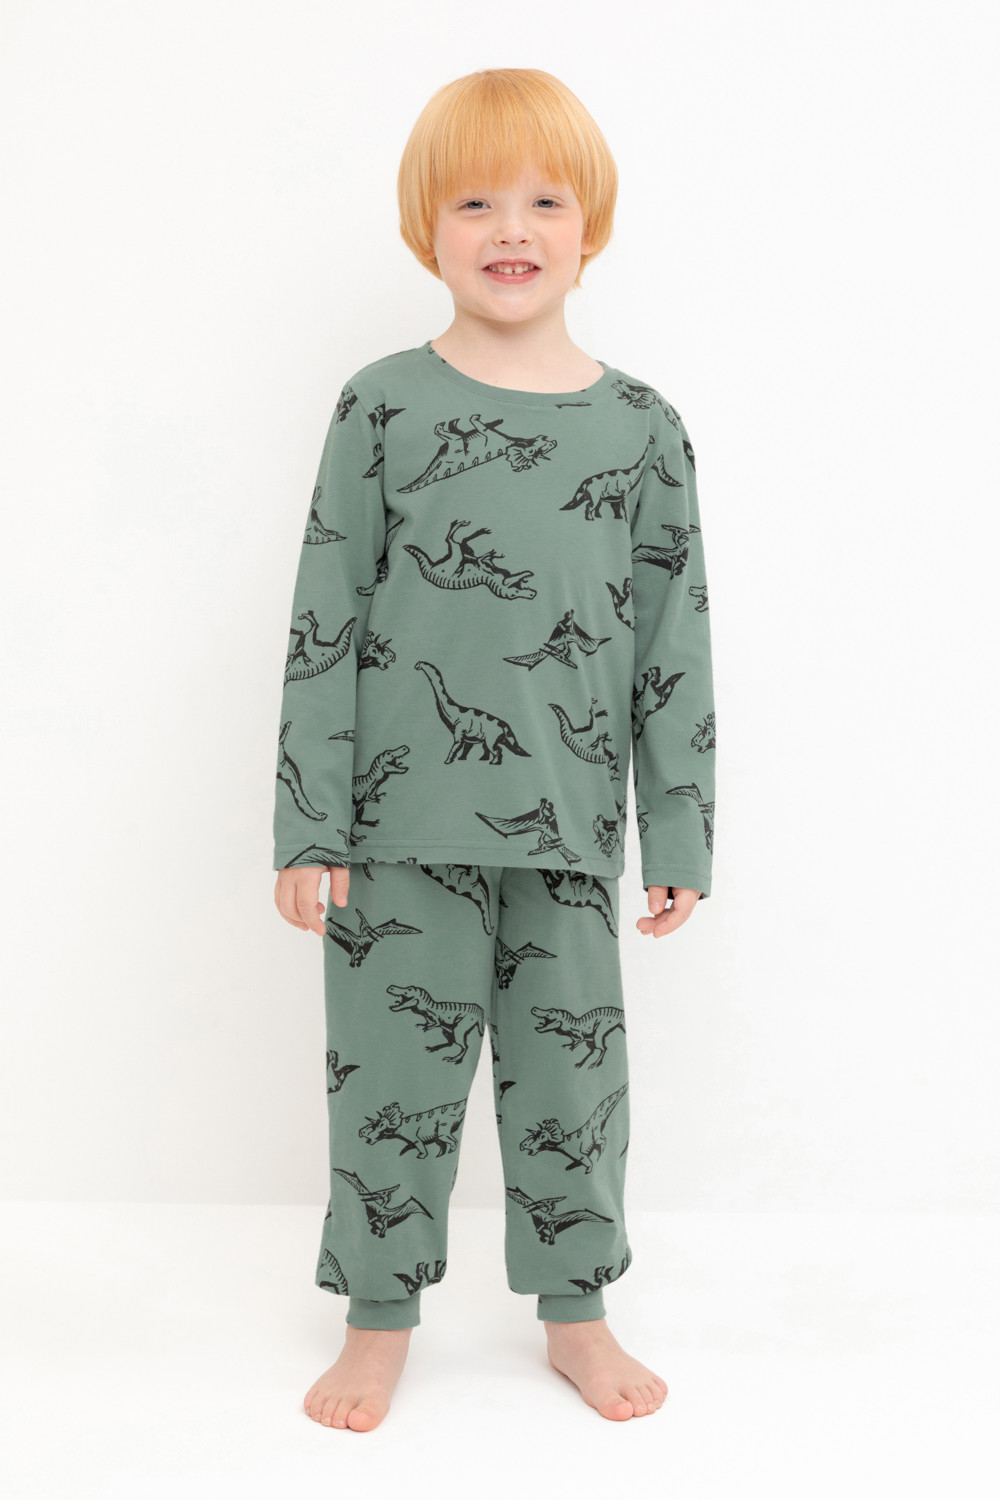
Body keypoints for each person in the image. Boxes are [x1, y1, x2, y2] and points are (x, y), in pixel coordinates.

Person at [272, 68, 716, 1431]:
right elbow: (325, 618)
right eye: (473, 202)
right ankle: (377, 1320)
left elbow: (675, 640)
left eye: (543, 201)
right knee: (389, 1087)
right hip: (397, 833)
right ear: (428, 228)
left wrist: (679, 828)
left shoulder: (642, 430)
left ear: (592, 227)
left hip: (568, 835)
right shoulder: (383, 407)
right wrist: (308, 825)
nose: (510, 227)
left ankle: (577, 1314)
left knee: (575, 1092)